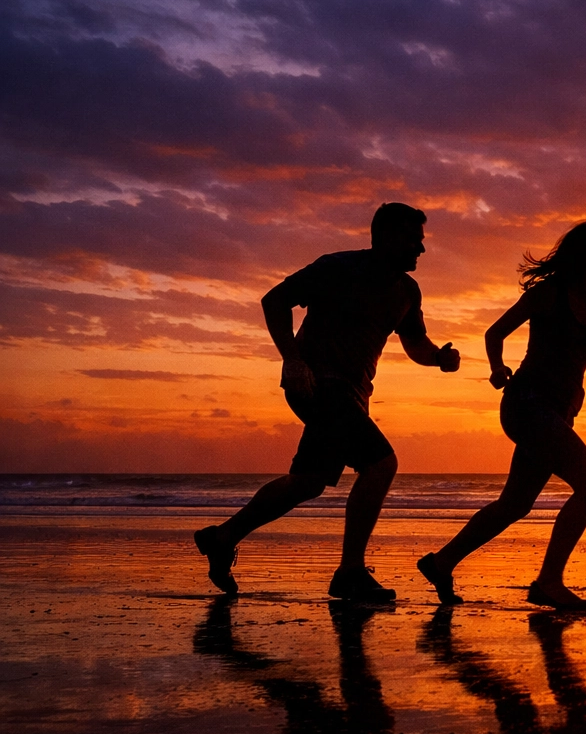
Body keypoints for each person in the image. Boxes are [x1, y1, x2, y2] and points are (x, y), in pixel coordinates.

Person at [193, 203, 461, 602]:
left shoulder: (407, 291)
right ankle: (350, 572)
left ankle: (223, 537)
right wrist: (293, 360)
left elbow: (415, 343)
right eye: (412, 239)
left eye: (421, 241)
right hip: (318, 383)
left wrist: (438, 357)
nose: (420, 249)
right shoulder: (336, 267)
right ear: (385, 236)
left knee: (308, 482)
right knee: (380, 463)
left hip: (353, 394)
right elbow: (275, 301)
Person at [415, 221, 586, 611]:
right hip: (526, 403)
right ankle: (549, 582)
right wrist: (497, 367)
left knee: (515, 504)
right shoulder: (548, 294)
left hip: (558, 412)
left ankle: (441, 562)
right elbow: (494, 333)